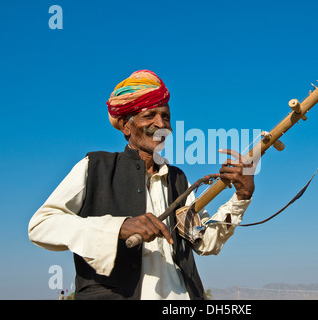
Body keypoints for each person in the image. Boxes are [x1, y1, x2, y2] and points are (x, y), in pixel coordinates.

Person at [28, 70, 255, 300]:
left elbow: (205, 242)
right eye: (150, 116)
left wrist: (242, 195)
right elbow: (41, 226)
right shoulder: (95, 167)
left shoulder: (179, 179)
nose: (161, 124)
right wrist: (119, 227)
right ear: (127, 126)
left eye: (165, 117)